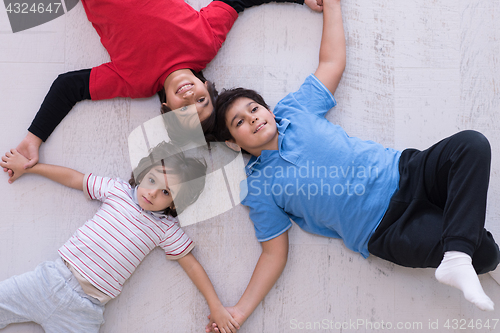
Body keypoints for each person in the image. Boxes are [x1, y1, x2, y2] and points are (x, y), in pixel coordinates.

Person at [207, 0, 500, 329]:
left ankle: (456, 252)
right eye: (240, 122)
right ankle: (461, 243)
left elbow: (332, 62)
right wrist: (239, 312)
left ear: (268, 110)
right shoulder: (259, 187)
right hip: (386, 230)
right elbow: (274, 254)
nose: (253, 119)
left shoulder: (295, 111)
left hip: (409, 173)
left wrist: (332, 3)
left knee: (472, 144)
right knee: (488, 254)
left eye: (254, 109)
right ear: (234, 142)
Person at [6, 0, 323, 178]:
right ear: (205, 84)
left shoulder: (136, 82)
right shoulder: (205, 42)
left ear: (168, 107)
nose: (189, 96)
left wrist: (34, 139)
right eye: (201, 99)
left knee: (17, 14)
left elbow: (69, 87)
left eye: (185, 107)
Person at [0, 142, 240, 333]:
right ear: (143, 173)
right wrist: (30, 168)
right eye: (152, 180)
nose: (153, 193)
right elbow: (75, 179)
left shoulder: (166, 228)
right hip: (48, 281)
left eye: (166, 192)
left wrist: (215, 306)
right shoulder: (117, 190)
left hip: (85, 309)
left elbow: (192, 265)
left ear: (176, 204)